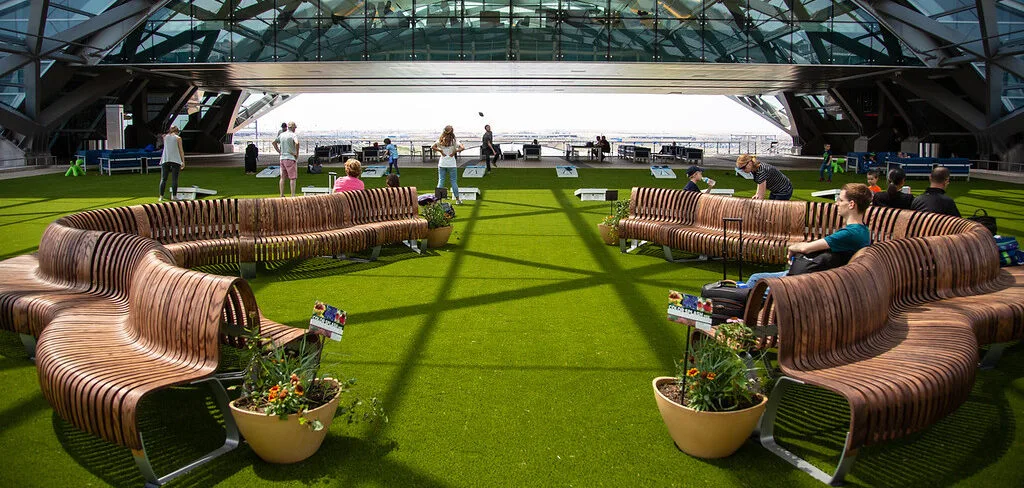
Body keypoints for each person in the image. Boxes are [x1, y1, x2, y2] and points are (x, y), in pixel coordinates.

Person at [744, 183, 873, 287]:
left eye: (840, 200)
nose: (837, 203)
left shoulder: (850, 234)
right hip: (824, 277)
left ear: (851, 204)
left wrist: (792, 248)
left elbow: (807, 248)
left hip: (810, 282)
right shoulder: (862, 231)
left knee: (755, 279)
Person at [432, 125, 465, 204]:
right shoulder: (454, 141)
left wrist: (440, 151)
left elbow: (432, 147)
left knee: (441, 181)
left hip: (442, 163)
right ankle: (457, 200)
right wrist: (454, 152)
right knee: (453, 181)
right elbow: (462, 147)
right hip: (451, 164)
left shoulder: (440, 141)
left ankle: (438, 200)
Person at [157, 126, 185, 202]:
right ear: (177, 131)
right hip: (175, 160)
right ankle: (174, 195)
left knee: (163, 179)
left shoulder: (165, 137)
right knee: (174, 179)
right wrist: (183, 161)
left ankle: (161, 196)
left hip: (165, 159)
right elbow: (181, 150)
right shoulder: (178, 138)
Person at [272, 121, 300, 197]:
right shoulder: (293, 135)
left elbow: (274, 142)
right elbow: (297, 143)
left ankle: (281, 194)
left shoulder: (282, 135)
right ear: (293, 128)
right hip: (290, 158)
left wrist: (279, 151)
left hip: (282, 158)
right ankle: (293, 195)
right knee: (292, 178)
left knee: (282, 177)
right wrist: (296, 153)